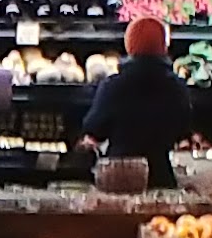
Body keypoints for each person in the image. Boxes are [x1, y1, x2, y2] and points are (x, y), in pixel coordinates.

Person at [81, 16, 194, 188]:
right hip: (160, 177)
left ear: (129, 46)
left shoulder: (113, 86)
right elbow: (183, 130)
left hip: (119, 176)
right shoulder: (177, 88)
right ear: (163, 47)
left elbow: (94, 128)